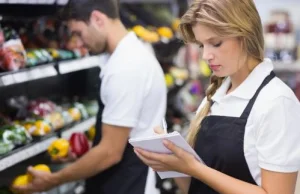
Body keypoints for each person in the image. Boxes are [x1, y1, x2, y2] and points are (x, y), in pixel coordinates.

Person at [134, 0, 300, 194]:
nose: (206, 55)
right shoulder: (213, 97)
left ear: (244, 35)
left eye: (215, 43)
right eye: (201, 45)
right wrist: (172, 164)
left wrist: (195, 169)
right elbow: (197, 188)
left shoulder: (276, 102)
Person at [14, 0, 166, 194]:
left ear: (97, 19)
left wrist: (52, 180)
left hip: (128, 185)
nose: (78, 43)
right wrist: (82, 157)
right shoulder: (131, 55)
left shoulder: (126, 67)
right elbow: (124, 138)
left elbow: (110, 152)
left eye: (78, 33)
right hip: (124, 180)